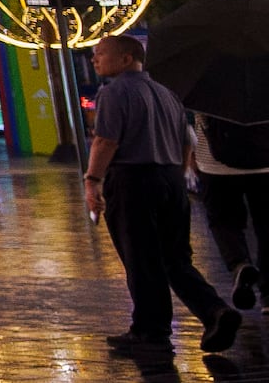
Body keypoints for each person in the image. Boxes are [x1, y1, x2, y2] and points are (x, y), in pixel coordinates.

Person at [95, 32, 239, 355]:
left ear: (125, 59)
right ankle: (215, 311)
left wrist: (93, 179)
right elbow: (188, 138)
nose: (94, 59)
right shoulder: (166, 93)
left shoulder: (113, 93)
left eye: (100, 54)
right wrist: (179, 170)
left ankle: (150, 330)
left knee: (140, 257)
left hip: (132, 181)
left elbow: (105, 142)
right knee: (175, 258)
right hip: (171, 179)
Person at [191, 87, 269, 323]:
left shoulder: (202, 75)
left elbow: (196, 121)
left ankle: (239, 263)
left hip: (216, 166)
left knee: (223, 222)